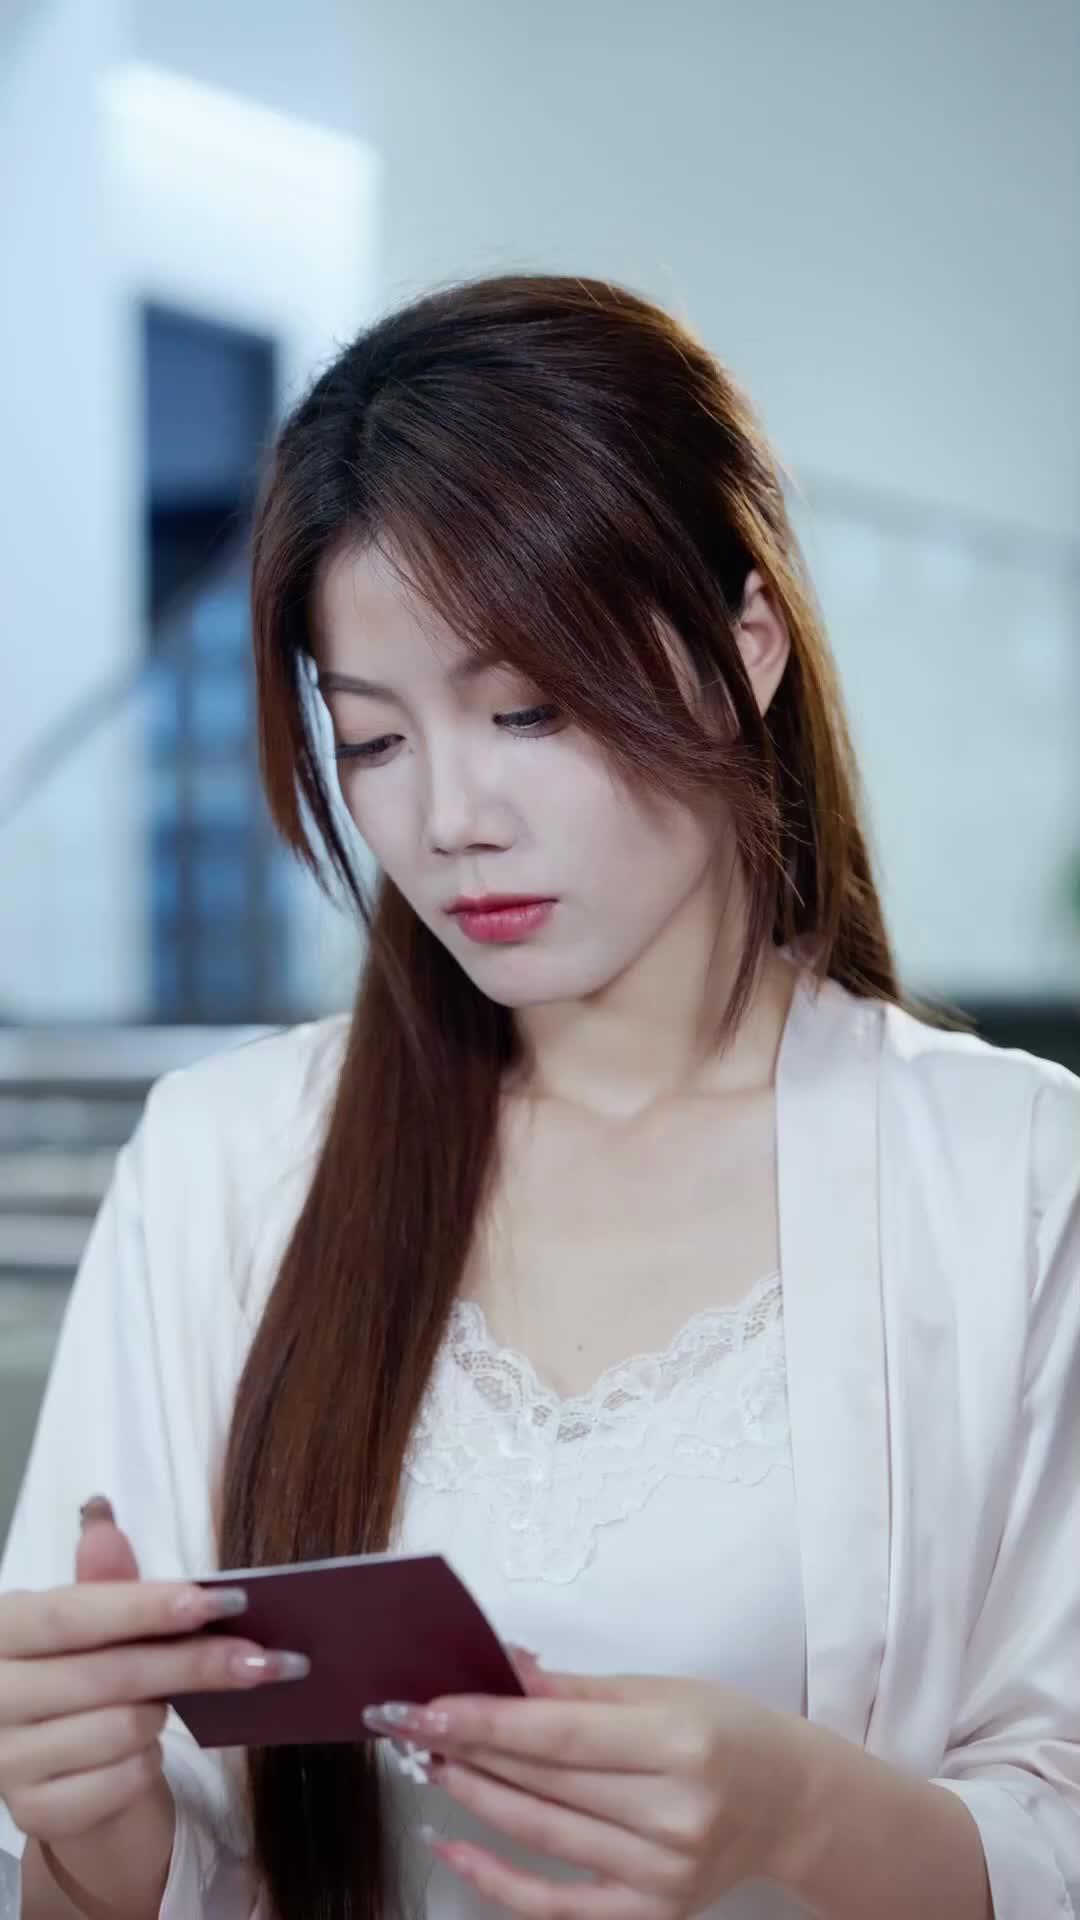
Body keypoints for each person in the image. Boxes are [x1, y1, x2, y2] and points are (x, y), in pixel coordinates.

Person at [0, 273, 1077, 1920]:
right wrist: (90, 1829)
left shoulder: (1015, 1177)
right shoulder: (228, 1163)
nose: (449, 820)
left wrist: (806, 1816)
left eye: (529, 710)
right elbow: (134, 1871)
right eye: (373, 742)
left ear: (746, 649)